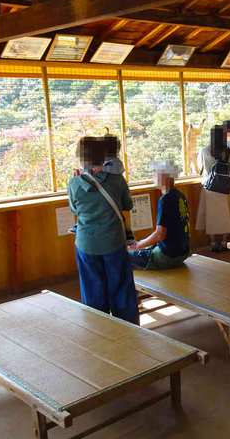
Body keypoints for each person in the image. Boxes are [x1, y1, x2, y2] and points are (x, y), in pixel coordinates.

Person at [67, 136, 138, 324]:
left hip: (86, 244)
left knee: (92, 291)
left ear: (81, 158)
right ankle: (129, 330)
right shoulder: (117, 180)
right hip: (114, 242)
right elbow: (127, 205)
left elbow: (74, 209)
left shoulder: (74, 183)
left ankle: (99, 330)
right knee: (122, 290)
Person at [128, 161, 191, 270]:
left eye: (156, 173)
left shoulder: (165, 199)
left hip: (168, 256)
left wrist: (138, 245)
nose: (154, 176)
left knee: (125, 256)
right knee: (145, 248)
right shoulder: (181, 195)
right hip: (183, 253)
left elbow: (159, 235)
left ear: (166, 177)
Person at [196, 125, 230, 252]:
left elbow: (200, 169)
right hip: (223, 187)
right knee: (225, 215)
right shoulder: (229, 151)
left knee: (211, 216)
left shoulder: (204, 151)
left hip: (209, 187)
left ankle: (213, 243)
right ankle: (225, 242)